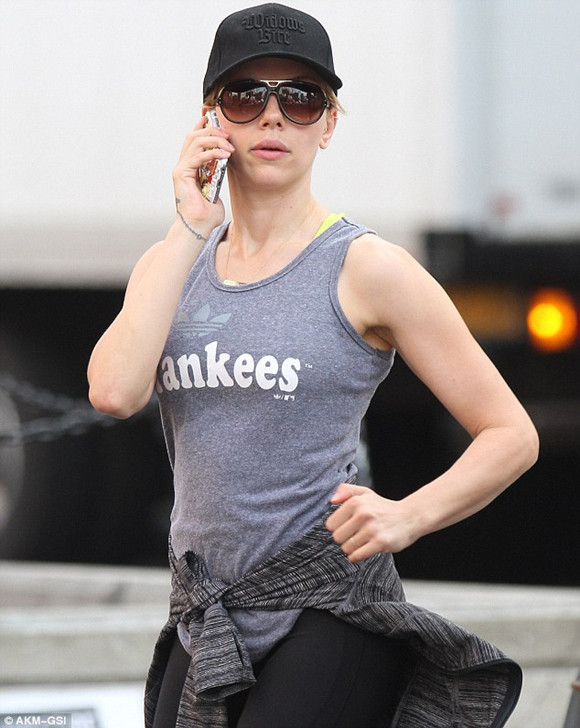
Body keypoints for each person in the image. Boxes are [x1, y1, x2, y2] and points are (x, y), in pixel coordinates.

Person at [88, 4, 539, 727]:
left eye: (300, 98)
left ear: (328, 124)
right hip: (206, 609)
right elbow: (113, 391)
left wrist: (409, 516)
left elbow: (511, 434)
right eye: (246, 95)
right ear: (211, 119)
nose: (273, 116)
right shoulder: (171, 262)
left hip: (328, 601)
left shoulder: (368, 268)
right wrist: (190, 226)